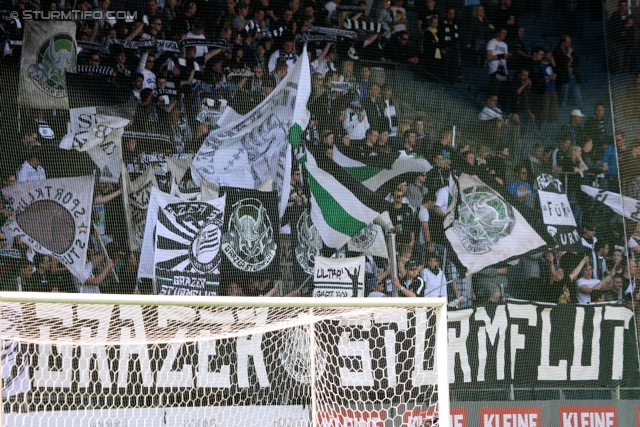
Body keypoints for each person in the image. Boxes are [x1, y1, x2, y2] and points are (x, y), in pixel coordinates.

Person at [554, 34, 582, 109]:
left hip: (573, 76)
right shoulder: (557, 51)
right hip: (564, 78)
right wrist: (568, 54)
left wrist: (570, 64)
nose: (570, 44)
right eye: (568, 42)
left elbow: (578, 61)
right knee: (563, 100)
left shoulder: (570, 50)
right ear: (563, 43)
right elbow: (563, 63)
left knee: (578, 98)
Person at [486, 28, 511, 105]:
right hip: (495, 71)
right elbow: (489, 57)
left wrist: (508, 56)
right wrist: (501, 55)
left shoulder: (505, 45)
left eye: (506, 33)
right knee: (494, 94)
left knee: (503, 95)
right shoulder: (492, 42)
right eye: (503, 33)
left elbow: (505, 59)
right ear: (498, 33)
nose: (505, 35)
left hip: (504, 72)